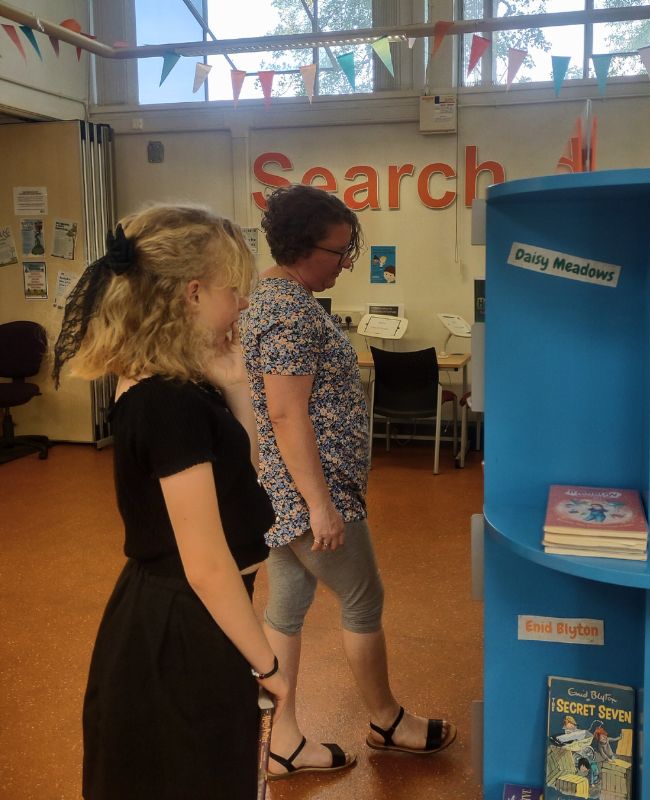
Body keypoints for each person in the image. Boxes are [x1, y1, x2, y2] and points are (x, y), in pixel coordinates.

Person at [52, 205, 288, 800]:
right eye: (234, 291)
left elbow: (247, 481)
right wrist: (269, 664)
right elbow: (206, 564)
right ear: (192, 293)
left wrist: (235, 383)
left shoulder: (184, 388)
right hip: (181, 630)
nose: (241, 306)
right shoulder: (167, 403)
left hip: (197, 619)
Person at [240, 184, 456, 779]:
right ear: (304, 250)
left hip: (287, 491)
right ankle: (388, 721)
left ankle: (281, 738)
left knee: (286, 608)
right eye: (339, 253)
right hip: (313, 492)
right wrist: (320, 506)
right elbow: (285, 412)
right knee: (363, 599)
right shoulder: (288, 311)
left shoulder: (271, 295)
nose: (346, 263)